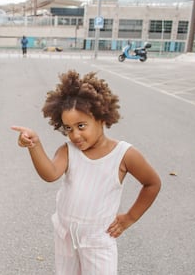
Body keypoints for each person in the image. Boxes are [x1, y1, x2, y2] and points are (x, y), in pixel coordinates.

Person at [12, 71, 161, 275]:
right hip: (65, 235)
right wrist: (34, 145)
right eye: (68, 129)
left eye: (81, 126)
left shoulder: (124, 154)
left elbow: (152, 183)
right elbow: (50, 174)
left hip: (98, 240)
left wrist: (130, 217)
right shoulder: (68, 151)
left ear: (101, 118)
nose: (75, 135)